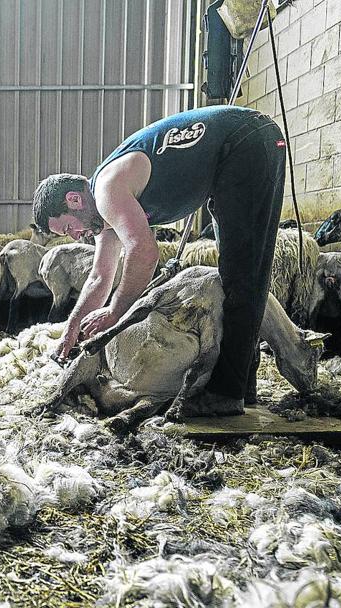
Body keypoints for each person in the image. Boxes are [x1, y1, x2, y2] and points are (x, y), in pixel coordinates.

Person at [32, 105, 286, 416]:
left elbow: (144, 251)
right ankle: (241, 387)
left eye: (69, 227)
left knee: (243, 273)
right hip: (233, 156)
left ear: (74, 200)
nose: (75, 236)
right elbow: (100, 277)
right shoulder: (104, 217)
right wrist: (71, 330)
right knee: (234, 275)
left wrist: (116, 312)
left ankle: (227, 393)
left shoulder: (107, 190)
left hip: (247, 141)